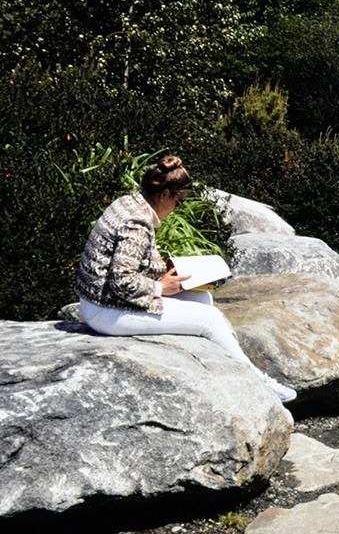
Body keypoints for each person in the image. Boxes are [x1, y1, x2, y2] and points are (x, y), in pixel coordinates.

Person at [75, 154, 296, 404]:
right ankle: (258, 382)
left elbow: (131, 263)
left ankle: (219, 368)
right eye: (179, 201)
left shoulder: (131, 204)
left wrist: (165, 273)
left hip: (101, 301)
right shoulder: (136, 222)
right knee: (209, 319)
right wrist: (160, 287)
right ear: (164, 195)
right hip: (104, 310)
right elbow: (121, 280)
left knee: (202, 298)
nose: (178, 207)